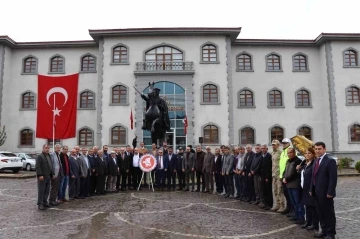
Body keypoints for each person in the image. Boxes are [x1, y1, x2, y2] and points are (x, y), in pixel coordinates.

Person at [310, 142, 337, 239]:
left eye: (319, 149)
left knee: (328, 213)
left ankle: (331, 233)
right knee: (320, 213)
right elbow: (313, 176)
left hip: (326, 193)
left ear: (324, 149)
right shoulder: (316, 160)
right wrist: (311, 189)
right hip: (316, 192)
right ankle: (324, 230)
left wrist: (330, 192)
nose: (317, 151)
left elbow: (333, 178)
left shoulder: (330, 161)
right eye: (316, 149)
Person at [297, 147, 319, 232]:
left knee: (313, 207)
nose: (307, 155)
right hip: (304, 188)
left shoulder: (314, 164)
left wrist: (311, 188)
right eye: (306, 153)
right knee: (307, 206)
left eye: (309, 153)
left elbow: (313, 177)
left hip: (310, 188)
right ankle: (308, 221)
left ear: (313, 154)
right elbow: (303, 175)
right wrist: (298, 169)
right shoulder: (305, 163)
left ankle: (314, 224)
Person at [283, 147, 304, 224]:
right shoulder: (288, 161)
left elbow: (295, 173)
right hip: (289, 185)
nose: (289, 154)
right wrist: (284, 177)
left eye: (290, 152)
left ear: (294, 153)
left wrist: (287, 179)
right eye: (288, 153)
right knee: (293, 201)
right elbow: (285, 171)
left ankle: (301, 217)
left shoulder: (298, 161)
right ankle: (296, 215)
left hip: (295, 185)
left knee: (298, 201)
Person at [36, 144, 54, 210]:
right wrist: (40, 175)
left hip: (48, 176)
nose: (47, 149)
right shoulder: (40, 156)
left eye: (48, 148)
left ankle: (45, 202)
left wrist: (52, 174)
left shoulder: (49, 155)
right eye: (46, 148)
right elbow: (38, 166)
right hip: (42, 177)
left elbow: (51, 166)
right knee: (41, 191)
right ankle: (40, 204)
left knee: (47, 190)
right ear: (43, 148)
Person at [270, 140, 286, 212]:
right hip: (274, 174)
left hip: (279, 174)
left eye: (275, 145)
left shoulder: (281, 152)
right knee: (275, 191)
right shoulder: (273, 153)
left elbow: (283, 163)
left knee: (280, 191)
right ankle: (277, 205)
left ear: (278, 145)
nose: (273, 146)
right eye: (272, 145)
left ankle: (282, 206)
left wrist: (282, 175)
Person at [279, 138, 292, 215]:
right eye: (283, 143)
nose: (284, 144)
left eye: (285, 143)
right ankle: (288, 208)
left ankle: (291, 209)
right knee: (286, 194)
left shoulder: (290, 151)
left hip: (287, 176)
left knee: (290, 195)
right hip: (282, 176)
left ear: (289, 143)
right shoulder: (283, 152)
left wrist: (286, 176)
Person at [259, 144, 273, 210]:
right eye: (262, 148)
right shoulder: (262, 156)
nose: (263, 149)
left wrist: (267, 177)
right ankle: (264, 203)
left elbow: (269, 167)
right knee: (263, 190)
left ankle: (269, 204)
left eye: (264, 148)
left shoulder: (269, 156)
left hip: (267, 176)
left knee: (268, 191)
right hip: (262, 175)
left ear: (267, 149)